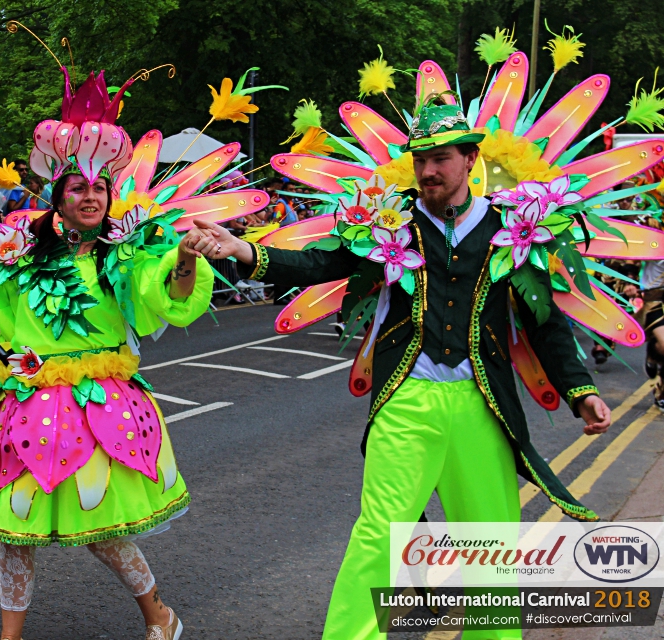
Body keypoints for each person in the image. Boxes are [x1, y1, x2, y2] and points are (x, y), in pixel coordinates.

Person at [186, 99, 613, 640]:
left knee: (493, 541)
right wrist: (244, 250)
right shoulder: (386, 223)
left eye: (440, 158)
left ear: (470, 160)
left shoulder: (516, 227)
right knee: (381, 536)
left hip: (483, 407)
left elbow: (544, 323)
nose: (428, 170)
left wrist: (579, 391)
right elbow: (323, 262)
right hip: (407, 400)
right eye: (420, 159)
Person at [0, 67, 221, 640]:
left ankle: (159, 615)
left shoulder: (126, 252)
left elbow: (166, 294)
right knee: (16, 526)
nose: (90, 197)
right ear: (57, 196)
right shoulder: (19, 254)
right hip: (30, 403)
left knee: (102, 528)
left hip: (100, 407)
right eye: (77, 188)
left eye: (99, 188)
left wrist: (184, 257)